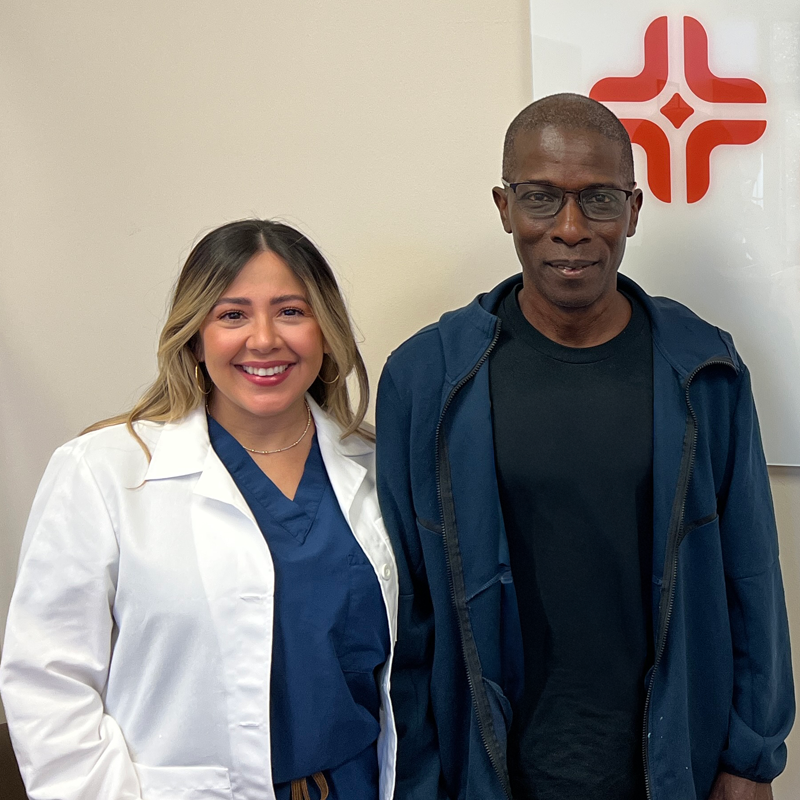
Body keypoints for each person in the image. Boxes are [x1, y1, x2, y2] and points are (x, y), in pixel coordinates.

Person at [376, 94, 794, 800]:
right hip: (490, 775)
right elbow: (407, 613)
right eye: (540, 198)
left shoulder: (703, 369)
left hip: (671, 771)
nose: (570, 229)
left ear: (633, 210)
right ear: (504, 207)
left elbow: (751, 577)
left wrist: (750, 760)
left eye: (598, 199)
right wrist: (416, 780)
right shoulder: (427, 378)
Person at [0, 219, 398, 800]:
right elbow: (48, 681)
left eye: (291, 311)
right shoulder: (104, 471)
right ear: (194, 338)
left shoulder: (382, 468)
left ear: (326, 331)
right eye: (232, 315)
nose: (264, 339)